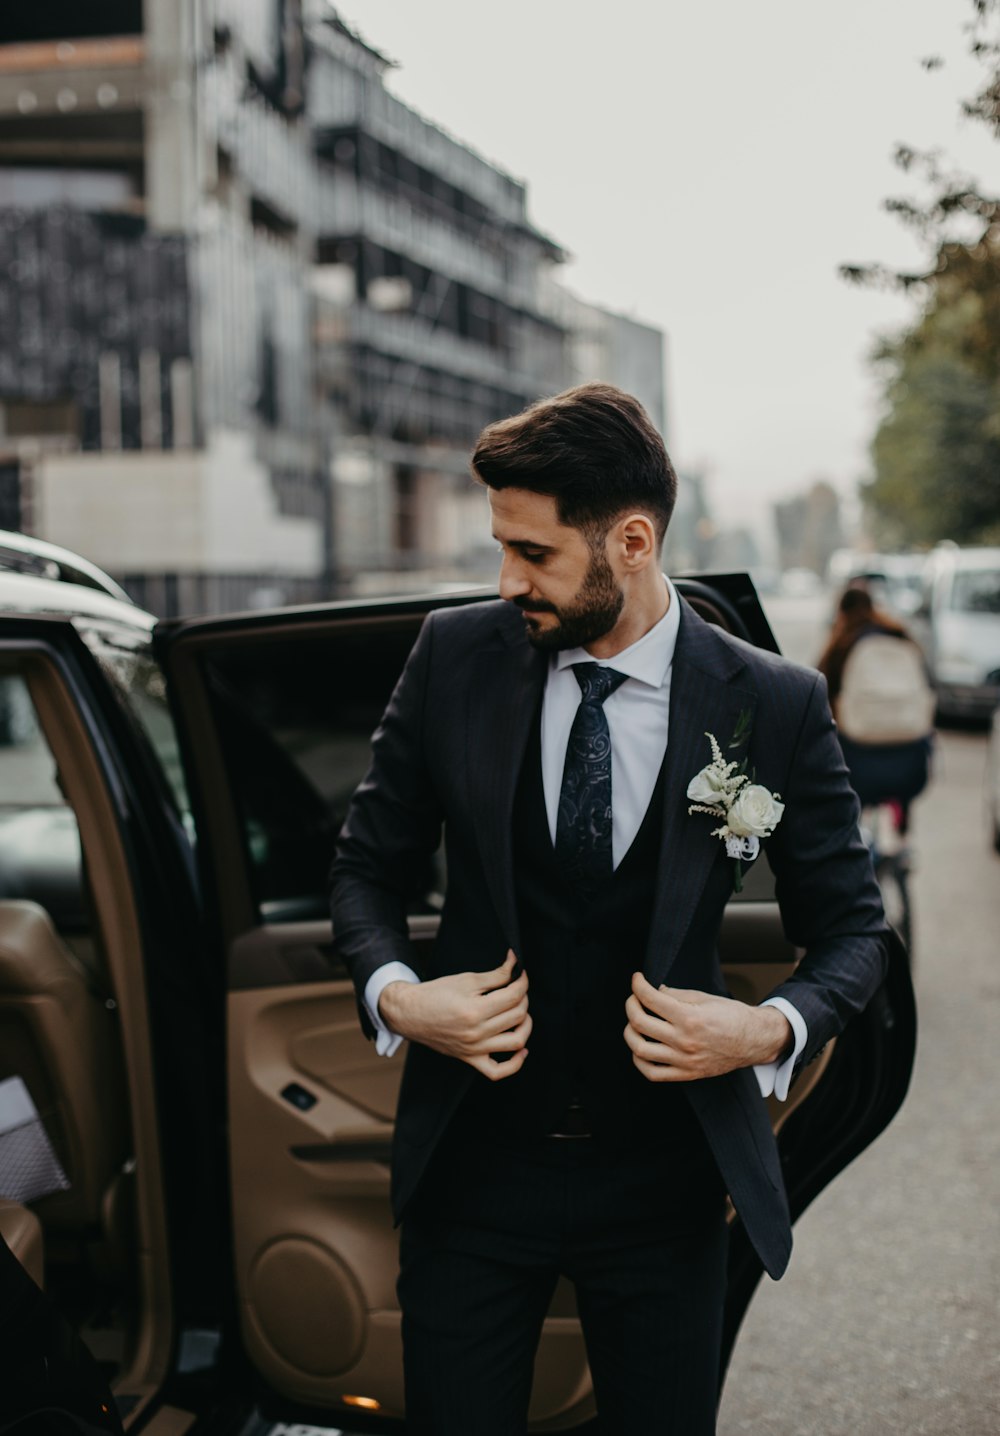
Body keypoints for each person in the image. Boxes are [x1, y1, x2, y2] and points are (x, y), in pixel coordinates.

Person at [329, 384, 889, 1435]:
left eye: (533, 553)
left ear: (629, 540)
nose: (506, 582)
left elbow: (854, 930)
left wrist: (767, 1027)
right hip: (474, 1176)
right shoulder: (456, 656)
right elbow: (363, 871)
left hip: (665, 1183)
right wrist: (400, 997)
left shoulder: (770, 701)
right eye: (501, 547)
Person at [817, 583, 933, 834]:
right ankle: (901, 831)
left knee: (856, 795)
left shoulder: (841, 644)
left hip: (859, 755)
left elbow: (821, 690)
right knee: (900, 790)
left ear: (842, 611)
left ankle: (861, 835)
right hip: (910, 754)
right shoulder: (900, 635)